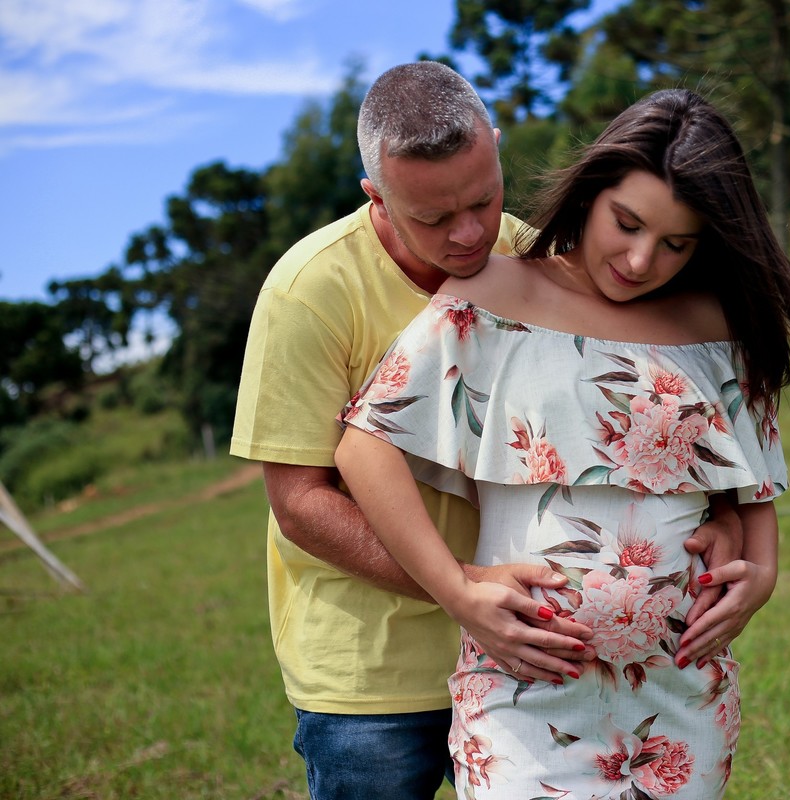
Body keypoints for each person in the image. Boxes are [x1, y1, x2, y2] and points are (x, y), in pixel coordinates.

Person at [231, 63, 741, 800]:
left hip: (540, 671)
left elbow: (639, 406)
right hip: (375, 673)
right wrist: (462, 586)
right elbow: (302, 503)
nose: (469, 233)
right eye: (433, 218)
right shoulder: (308, 292)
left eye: (482, 199)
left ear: (497, 150)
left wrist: (728, 515)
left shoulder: (531, 260)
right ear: (376, 196)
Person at [334, 88, 790, 798]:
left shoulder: (715, 327)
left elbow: (751, 488)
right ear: (591, 191)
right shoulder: (491, 295)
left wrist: (761, 575)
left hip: (681, 694)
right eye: (627, 223)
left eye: (675, 243)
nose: (640, 260)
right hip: (524, 691)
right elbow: (365, 447)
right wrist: (457, 591)